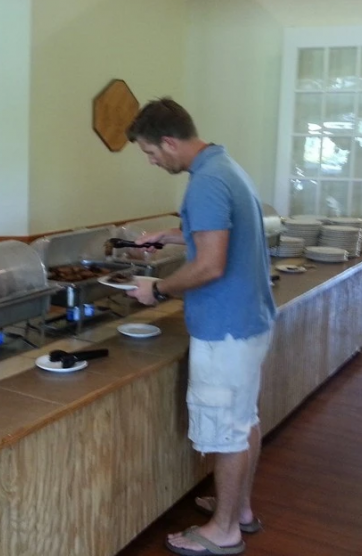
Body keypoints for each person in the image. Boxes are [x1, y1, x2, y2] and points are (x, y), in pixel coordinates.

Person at [125, 98, 276, 556]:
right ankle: (240, 509)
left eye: (152, 154)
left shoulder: (206, 182)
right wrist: (170, 236)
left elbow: (210, 265)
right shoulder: (224, 165)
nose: (153, 162)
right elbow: (218, 231)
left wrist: (158, 288)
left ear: (170, 141)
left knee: (228, 431)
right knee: (244, 420)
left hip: (225, 329)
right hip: (249, 321)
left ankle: (224, 530)